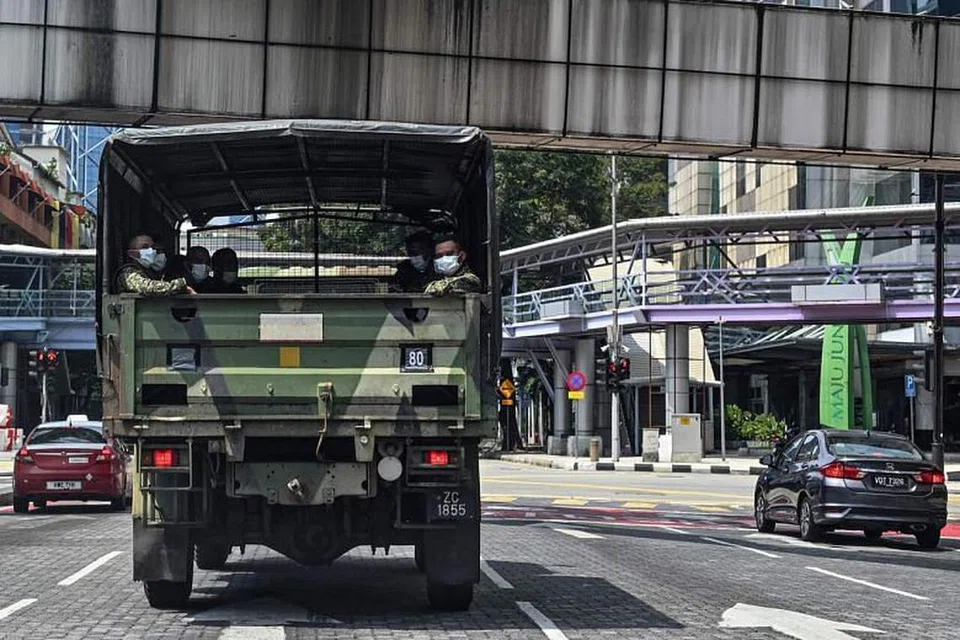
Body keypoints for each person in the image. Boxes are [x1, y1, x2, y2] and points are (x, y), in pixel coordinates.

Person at [116, 233, 195, 296]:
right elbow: (149, 288)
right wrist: (181, 285)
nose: (152, 250)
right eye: (145, 247)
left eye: (152, 247)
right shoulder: (128, 273)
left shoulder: (148, 271)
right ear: (132, 253)